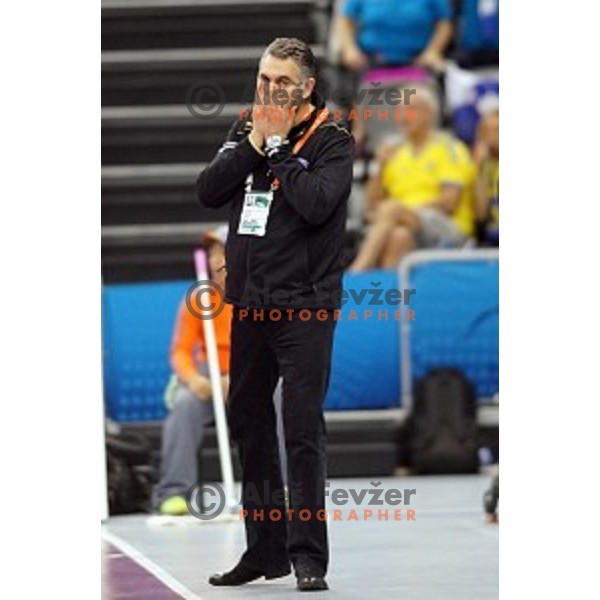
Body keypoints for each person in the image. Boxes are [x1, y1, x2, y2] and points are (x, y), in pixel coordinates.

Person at [196, 37, 354, 591]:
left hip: (306, 307)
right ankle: (264, 550)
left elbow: (315, 203)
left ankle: (308, 554)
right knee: (248, 421)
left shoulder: (333, 140)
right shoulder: (247, 129)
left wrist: (282, 150)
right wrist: (254, 145)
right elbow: (208, 190)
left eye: (282, 81)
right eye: (264, 78)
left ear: (307, 87)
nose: (269, 89)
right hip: (252, 305)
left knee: (301, 428)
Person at [350, 85, 475, 271]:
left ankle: (356, 273)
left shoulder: (449, 148)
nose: (403, 116)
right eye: (399, 110)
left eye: (410, 109)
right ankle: (388, 294)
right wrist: (381, 167)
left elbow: (449, 202)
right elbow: (371, 205)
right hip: (402, 225)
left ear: (429, 114)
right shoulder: (394, 152)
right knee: (399, 236)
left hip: (448, 227)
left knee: (392, 210)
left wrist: (401, 211)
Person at [153, 229, 231, 516]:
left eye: (221, 250)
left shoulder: (261, 296)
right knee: (185, 404)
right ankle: (173, 492)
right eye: (211, 252)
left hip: (251, 373)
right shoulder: (198, 299)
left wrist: (238, 378)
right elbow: (180, 351)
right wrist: (193, 378)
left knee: (280, 398)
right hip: (208, 375)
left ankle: (282, 489)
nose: (215, 259)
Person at [338, 0, 453, 72]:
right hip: (371, 64)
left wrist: (433, 51)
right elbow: (346, 20)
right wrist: (350, 49)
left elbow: (444, 23)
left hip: (417, 64)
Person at [473, 109, 499, 246]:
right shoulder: (483, 166)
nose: (491, 136)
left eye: (497, 130)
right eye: (487, 131)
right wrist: (478, 169)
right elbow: (481, 217)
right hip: (489, 236)